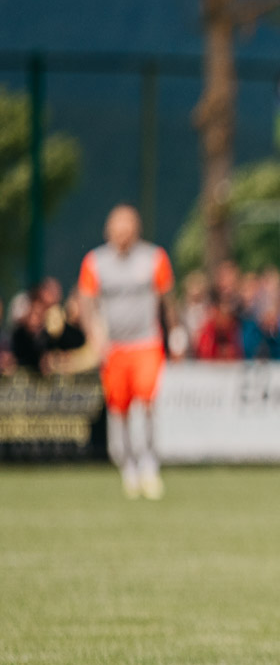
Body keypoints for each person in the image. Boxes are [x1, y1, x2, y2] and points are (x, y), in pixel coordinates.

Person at [77, 205, 175, 500]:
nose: (122, 234)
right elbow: (86, 302)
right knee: (119, 409)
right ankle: (128, 465)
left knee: (147, 402)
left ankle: (149, 464)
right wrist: (95, 338)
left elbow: (167, 300)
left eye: (127, 227)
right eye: (118, 228)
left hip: (146, 343)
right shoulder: (95, 262)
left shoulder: (153, 258)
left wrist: (175, 334)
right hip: (114, 347)